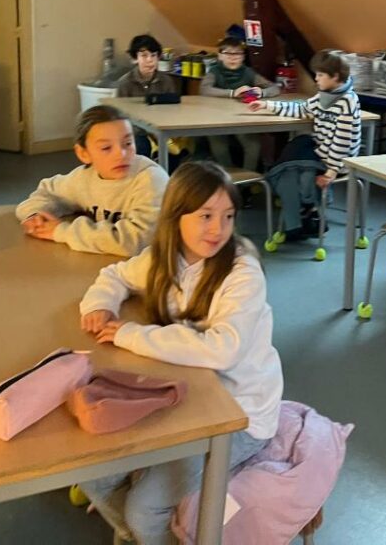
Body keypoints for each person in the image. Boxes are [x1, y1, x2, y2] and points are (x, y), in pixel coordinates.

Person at [78, 161, 283, 544]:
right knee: (91, 474)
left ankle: (145, 528)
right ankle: (139, 533)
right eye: (205, 215)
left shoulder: (242, 272)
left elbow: (223, 350)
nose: (218, 229)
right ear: (176, 217)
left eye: (227, 216)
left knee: (144, 508)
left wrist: (131, 334)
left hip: (239, 414)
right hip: (184, 393)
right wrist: (99, 305)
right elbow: (115, 275)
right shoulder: (165, 258)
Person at [16, 105, 169, 257]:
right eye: (106, 147)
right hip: (107, 264)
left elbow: (137, 241)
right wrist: (37, 217)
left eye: (128, 143)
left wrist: (62, 231)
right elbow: (46, 193)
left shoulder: (151, 179)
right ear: (83, 153)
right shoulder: (83, 178)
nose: (121, 154)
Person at [250, 50, 361, 240]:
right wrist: (267, 105)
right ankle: (299, 221)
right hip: (321, 152)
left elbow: (342, 143)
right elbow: (301, 108)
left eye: (320, 75)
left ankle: (307, 215)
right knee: (290, 172)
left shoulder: (348, 102)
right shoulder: (324, 95)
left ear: (335, 77)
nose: (316, 79)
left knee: (304, 176)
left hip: (339, 161)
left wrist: (331, 173)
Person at [199, 35, 281, 171]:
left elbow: (275, 88)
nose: (233, 58)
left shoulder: (248, 72)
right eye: (228, 54)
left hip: (241, 117)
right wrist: (232, 93)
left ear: (243, 57)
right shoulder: (214, 71)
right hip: (216, 116)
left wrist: (261, 92)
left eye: (237, 54)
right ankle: (227, 175)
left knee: (253, 145)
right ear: (220, 56)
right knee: (218, 145)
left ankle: (247, 178)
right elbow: (204, 89)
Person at [115, 34, 181, 160]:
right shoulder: (125, 83)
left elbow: (173, 110)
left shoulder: (166, 81)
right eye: (144, 56)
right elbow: (119, 116)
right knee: (141, 146)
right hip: (136, 132)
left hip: (161, 129)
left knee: (177, 152)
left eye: (153, 55)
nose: (150, 60)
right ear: (135, 58)